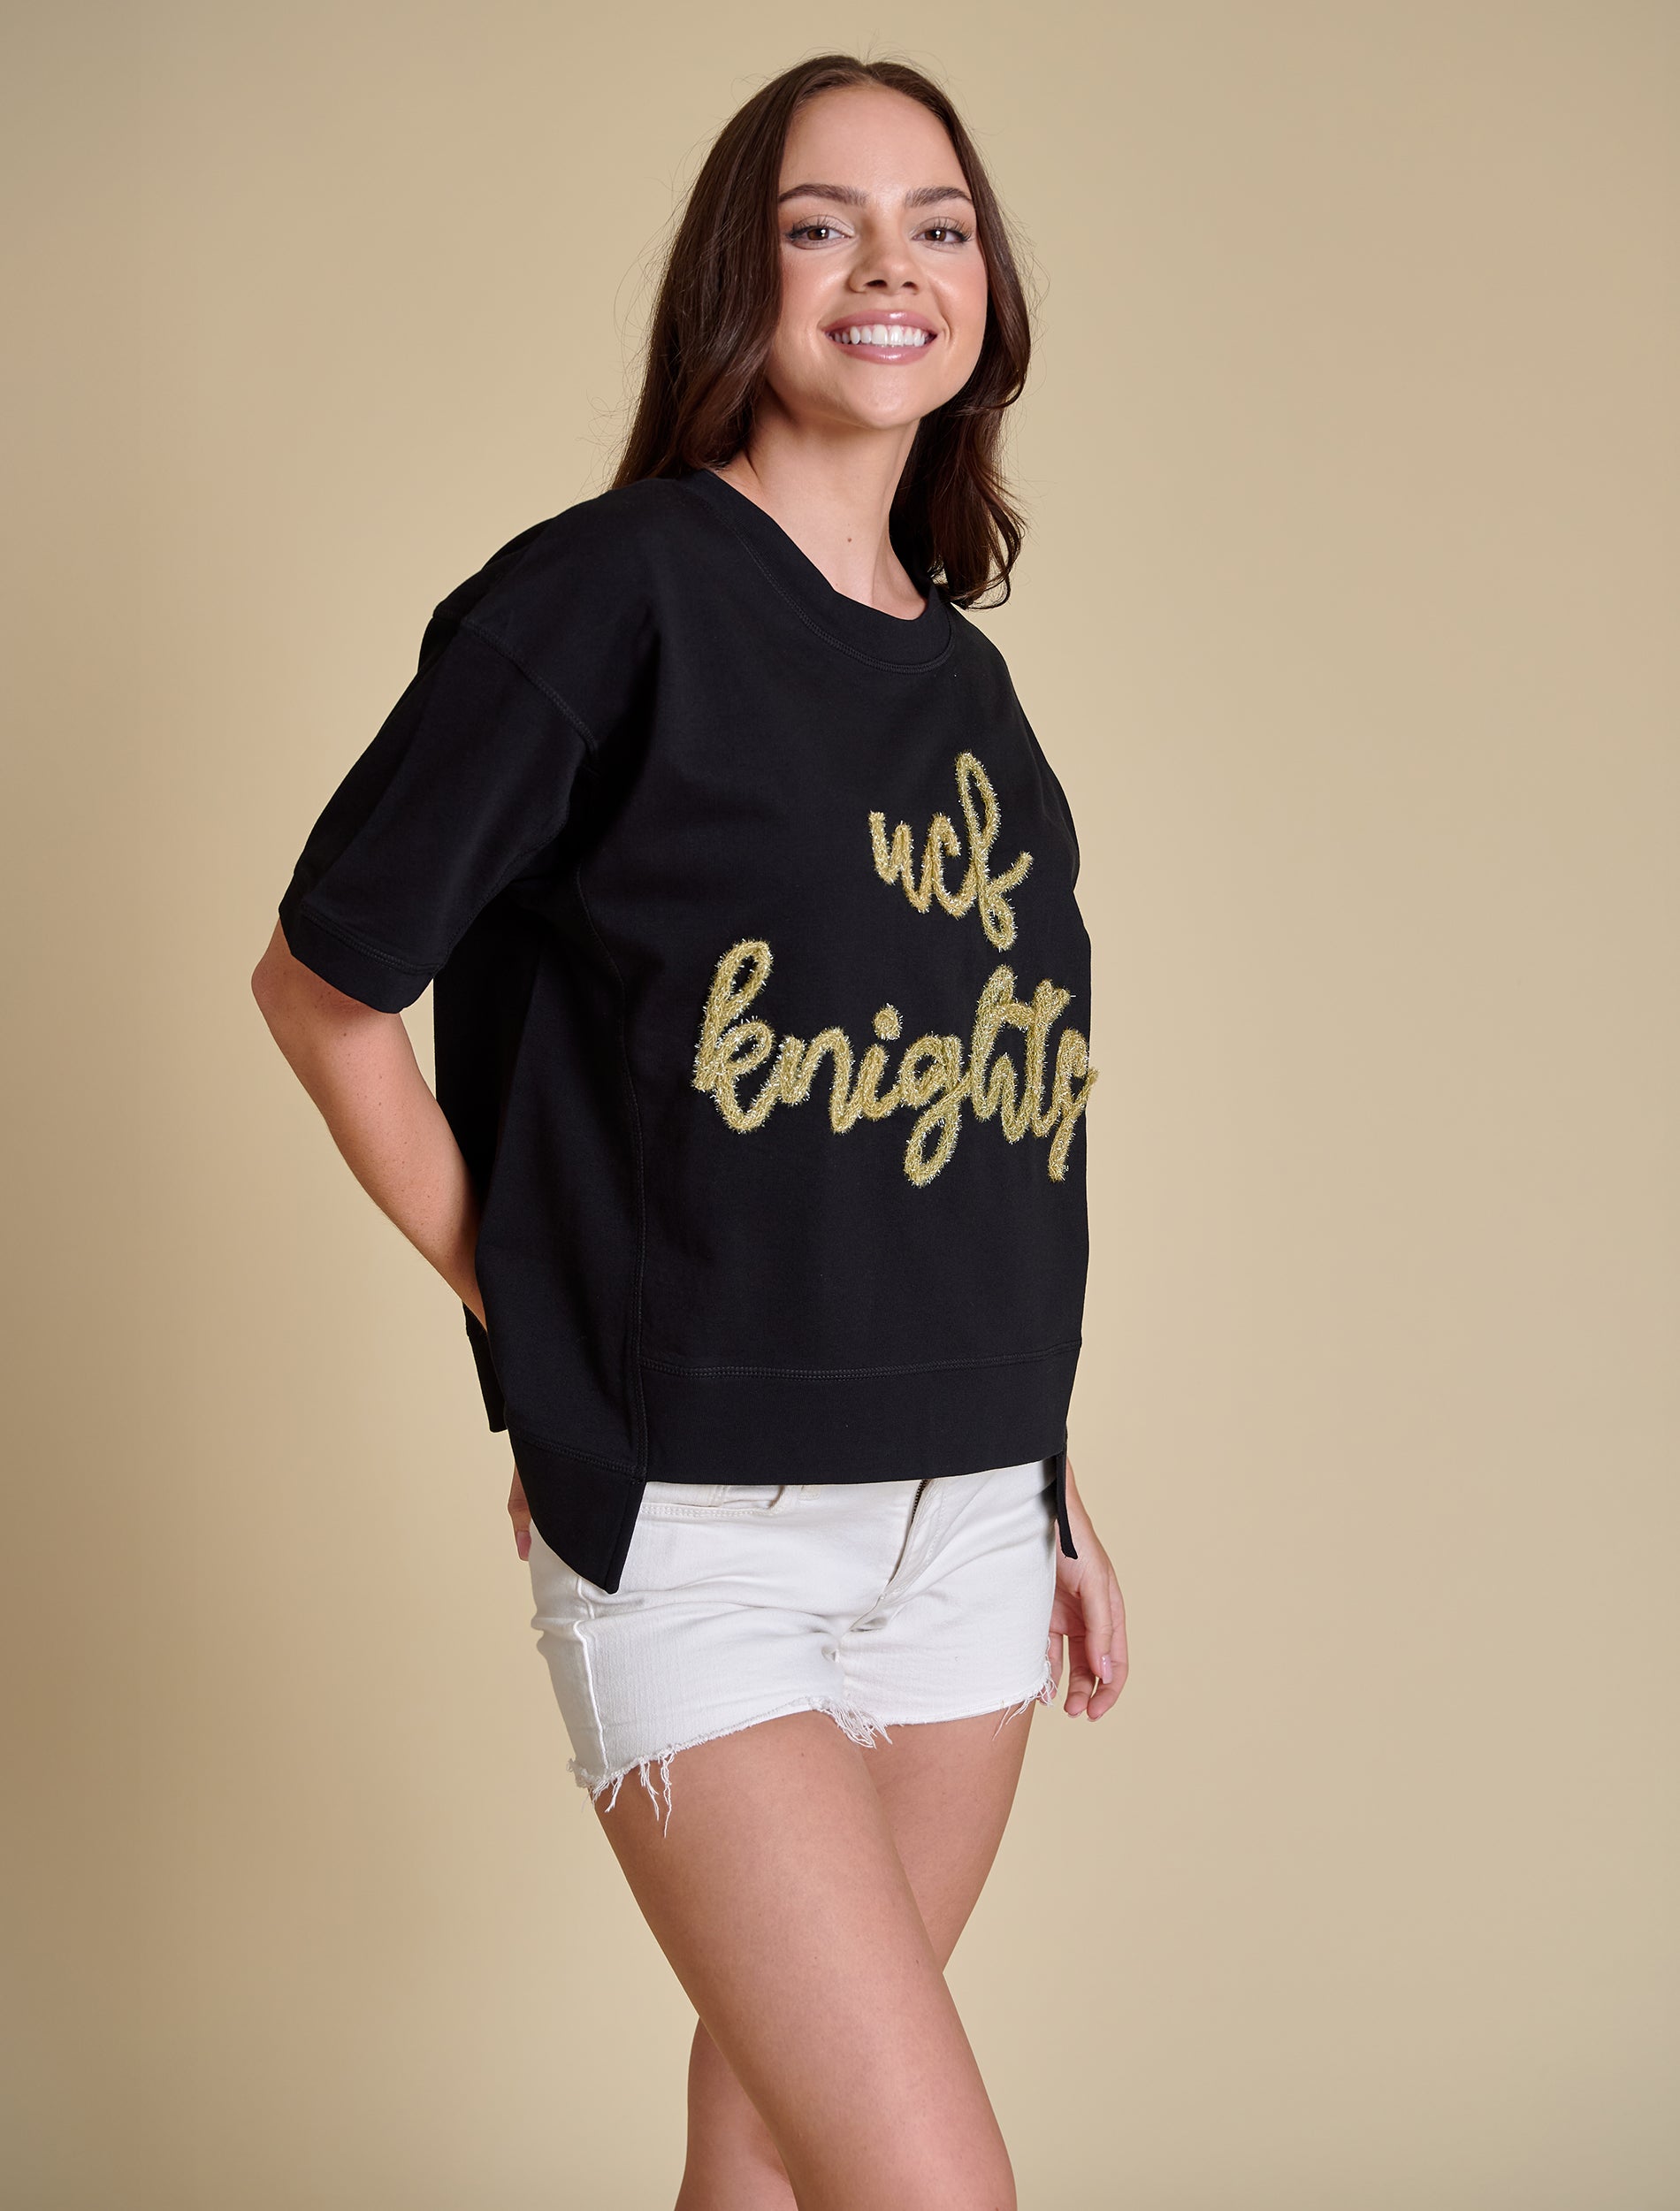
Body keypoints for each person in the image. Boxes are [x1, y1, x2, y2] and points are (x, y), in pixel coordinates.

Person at [252, 50, 1127, 2211]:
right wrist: (537, 1315)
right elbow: (324, 982)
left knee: (761, 2140)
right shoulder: (611, 592)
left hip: (967, 1534)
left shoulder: (965, 691)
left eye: (937, 224)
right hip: (699, 1533)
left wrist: (1048, 1479)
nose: (887, 267)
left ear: (986, 292)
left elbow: (971, 1124)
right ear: (742, 275)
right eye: (823, 223)